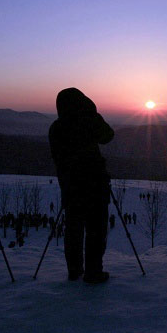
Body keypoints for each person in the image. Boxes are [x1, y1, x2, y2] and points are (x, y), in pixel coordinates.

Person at [49, 88, 114, 283]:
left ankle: (74, 270)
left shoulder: (56, 128)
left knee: (73, 229)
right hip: (94, 183)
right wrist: (93, 113)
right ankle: (94, 272)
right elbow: (108, 135)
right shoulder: (88, 122)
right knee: (96, 228)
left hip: (70, 186)